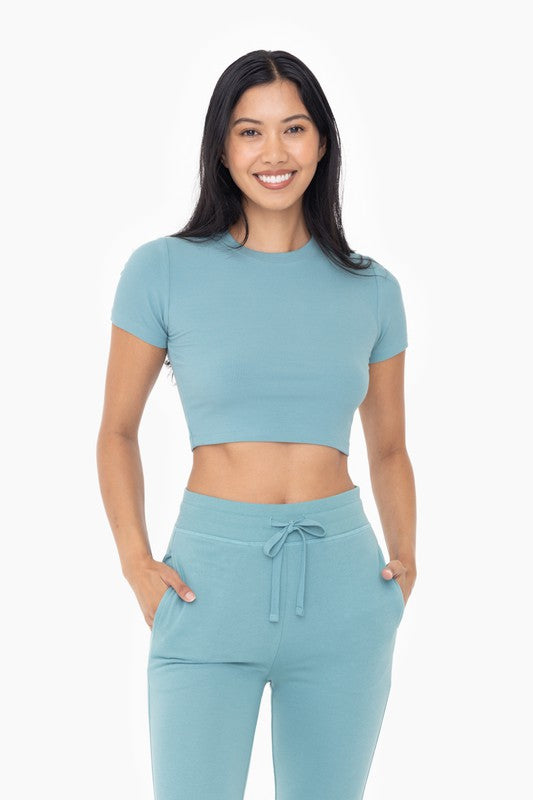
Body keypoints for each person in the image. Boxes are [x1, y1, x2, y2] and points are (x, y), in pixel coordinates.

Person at [97, 48, 417, 800]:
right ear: (222, 147)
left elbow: (390, 447)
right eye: (250, 131)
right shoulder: (161, 270)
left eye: (293, 128)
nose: (274, 152)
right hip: (206, 586)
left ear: (322, 142)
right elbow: (117, 432)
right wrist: (135, 561)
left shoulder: (373, 289)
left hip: (344, 587)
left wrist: (404, 565)